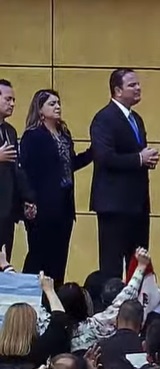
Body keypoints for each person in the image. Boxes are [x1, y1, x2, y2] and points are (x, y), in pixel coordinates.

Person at [90, 68, 158, 279]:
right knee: (112, 265)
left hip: (137, 204)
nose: (138, 88)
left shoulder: (136, 118)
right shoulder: (104, 118)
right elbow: (104, 157)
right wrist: (139, 159)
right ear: (118, 90)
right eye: (132, 85)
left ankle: (136, 299)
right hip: (114, 204)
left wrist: (147, 159)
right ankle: (111, 299)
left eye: (138, 84)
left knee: (137, 262)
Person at [19, 89, 92, 284]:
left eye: (58, 103)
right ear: (40, 109)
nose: (57, 107)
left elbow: (69, 165)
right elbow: (25, 171)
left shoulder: (64, 134)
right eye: (52, 104)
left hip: (64, 205)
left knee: (59, 257)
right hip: (41, 206)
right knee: (39, 256)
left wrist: (91, 154)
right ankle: (29, 295)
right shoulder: (33, 136)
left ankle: (55, 295)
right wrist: (28, 200)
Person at [0, 79, 35, 261]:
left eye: (13, 100)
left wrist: (27, 198)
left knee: (5, 260)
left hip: (7, 211)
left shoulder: (10, 131)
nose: (12, 104)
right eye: (8, 99)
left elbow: (16, 168)